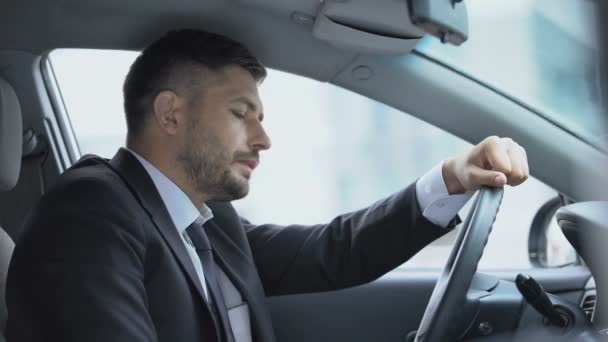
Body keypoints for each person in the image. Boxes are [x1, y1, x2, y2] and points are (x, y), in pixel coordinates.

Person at [6, 29, 529, 342]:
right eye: (242, 114)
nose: (264, 139)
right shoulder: (89, 212)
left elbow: (335, 251)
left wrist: (453, 179)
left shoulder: (207, 222)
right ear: (170, 112)